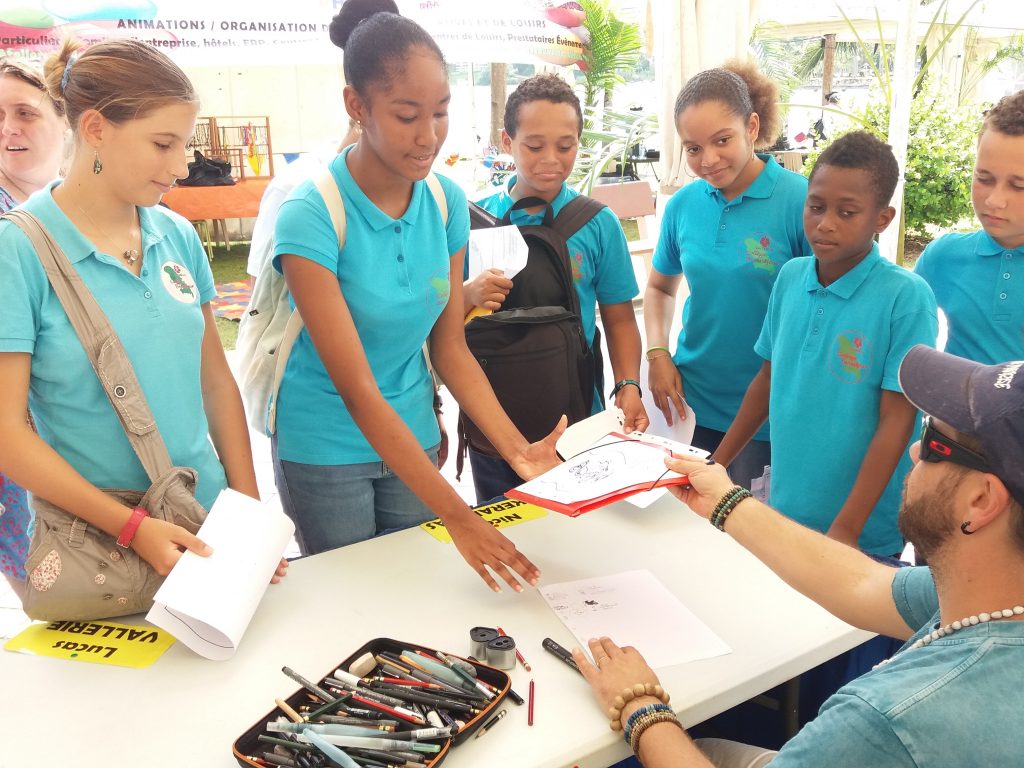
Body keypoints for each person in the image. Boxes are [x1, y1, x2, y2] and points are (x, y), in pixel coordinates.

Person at [573, 345, 1024, 767]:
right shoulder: (992, 593)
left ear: (982, 500)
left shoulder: (886, 719)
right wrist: (726, 503)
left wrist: (639, 705)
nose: (913, 450)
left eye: (932, 441)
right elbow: (864, 584)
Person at [270, 0, 561, 593]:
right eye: (407, 115)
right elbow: (357, 390)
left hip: (413, 434)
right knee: (354, 603)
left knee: (417, 595)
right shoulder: (311, 215)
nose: (429, 136)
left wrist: (518, 451)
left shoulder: (446, 202)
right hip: (325, 445)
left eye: (441, 112)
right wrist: (459, 515)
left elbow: (450, 347)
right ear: (357, 105)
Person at [0, 38, 286, 604]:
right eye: (162, 144)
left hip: (207, 523)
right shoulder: (19, 251)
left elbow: (215, 382)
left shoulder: (176, 234)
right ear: (96, 129)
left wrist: (248, 513)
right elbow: (7, 434)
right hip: (100, 545)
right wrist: (132, 527)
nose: (180, 167)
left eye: (184, 145)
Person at [713, 132, 937, 554]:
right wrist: (716, 464)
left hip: (861, 533)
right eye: (816, 207)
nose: (826, 223)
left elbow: (897, 421)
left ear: (882, 218)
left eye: (846, 212)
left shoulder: (905, 298)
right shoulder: (790, 277)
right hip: (786, 512)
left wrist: (847, 528)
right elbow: (766, 381)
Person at [464, 73, 647, 503]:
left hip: (578, 421)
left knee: (582, 525)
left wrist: (628, 384)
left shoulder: (597, 223)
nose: (551, 159)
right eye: (534, 146)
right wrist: (470, 294)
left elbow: (620, 319)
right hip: (493, 422)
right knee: (503, 526)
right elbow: (443, 323)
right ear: (506, 141)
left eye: (565, 146)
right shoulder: (472, 220)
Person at [644, 62, 812, 491]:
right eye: (693, 148)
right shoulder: (683, 206)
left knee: (750, 523)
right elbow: (660, 287)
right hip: (690, 407)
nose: (708, 160)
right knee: (688, 520)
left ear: (752, 127)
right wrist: (658, 353)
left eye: (722, 140)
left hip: (769, 414)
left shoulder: (800, 200)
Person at [0, 57, 67, 590]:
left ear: (67, 119)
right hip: (17, 446)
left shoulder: (79, 206)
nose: (8, 128)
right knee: (52, 595)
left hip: (82, 433)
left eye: (25, 112)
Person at [914, 89, 1024, 366]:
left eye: (1018, 186)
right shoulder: (942, 256)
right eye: (984, 179)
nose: (994, 200)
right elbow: (898, 333)